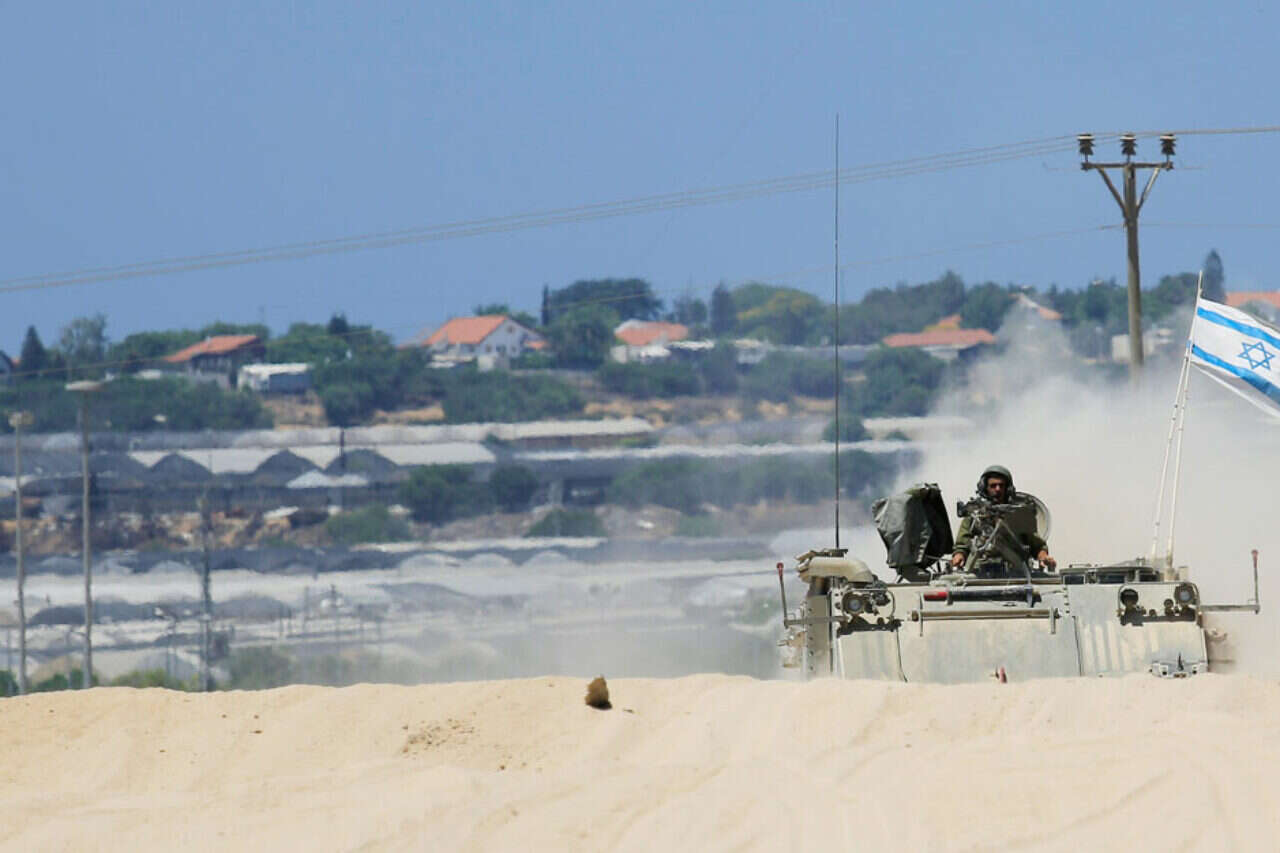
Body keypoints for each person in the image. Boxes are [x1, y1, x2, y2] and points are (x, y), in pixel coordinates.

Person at [949, 464, 1056, 572]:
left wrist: (1043, 557)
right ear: (985, 488)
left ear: (1008, 488)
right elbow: (962, 544)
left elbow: (1038, 546)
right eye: (993, 486)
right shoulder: (975, 514)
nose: (998, 489)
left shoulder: (1018, 514)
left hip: (1016, 573)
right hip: (979, 574)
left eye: (1001, 485)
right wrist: (959, 555)